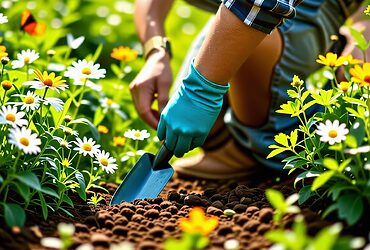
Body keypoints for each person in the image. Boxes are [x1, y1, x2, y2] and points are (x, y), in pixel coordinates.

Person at [130, 0, 365, 179]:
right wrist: (156, 51)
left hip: (295, 17)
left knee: (250, 51)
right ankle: (229, 143)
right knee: (204, 125)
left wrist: (201, 89)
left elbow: (260, 4)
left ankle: (269, 150)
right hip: (233, 12)